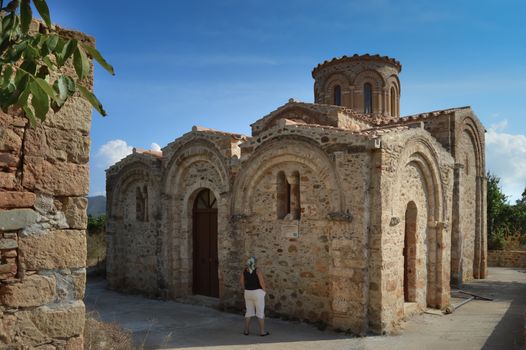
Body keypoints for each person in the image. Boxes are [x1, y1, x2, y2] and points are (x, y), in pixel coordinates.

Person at [240, 256, 269, 336]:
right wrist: (264, 291)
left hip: (248, 292)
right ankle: (262, 332)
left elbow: (241, 282)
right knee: (260, 313)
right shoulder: (257, 271)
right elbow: (262, 282)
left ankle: (246, 331)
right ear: (255, 262)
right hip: (257, 293)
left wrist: (245, 289)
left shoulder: (244, 271)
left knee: (248, 312)